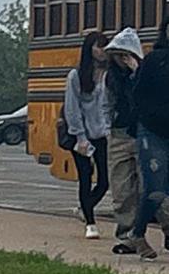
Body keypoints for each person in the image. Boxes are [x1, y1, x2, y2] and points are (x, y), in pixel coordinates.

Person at [63, 29, 111, 240]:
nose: (102, 51)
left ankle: (85, 207)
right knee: (85, 177)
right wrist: (80, 136)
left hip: (101, 133)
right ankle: (90, 223)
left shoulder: (109, 75)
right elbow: (72, 108)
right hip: (81, 134)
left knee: (104, 181)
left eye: (104, 46)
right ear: (89, 49)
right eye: (98, 46)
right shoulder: (76, 76)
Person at [128, 17, 169, 257]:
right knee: (155, 188)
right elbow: (139, 94)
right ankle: (137, 234)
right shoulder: (154, 61)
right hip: (152, 131)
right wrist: (148, 117)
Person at [103, 27, 146, 255]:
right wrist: (106, 130)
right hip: (119, 134)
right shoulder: (110, 78)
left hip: (144, 133)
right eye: (117, 55)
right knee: (122, 190)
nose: (121, 60)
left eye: (125, 54)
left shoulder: (145, 72)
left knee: (150, 188)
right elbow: (106, 105)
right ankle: (127, 237)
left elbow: (149, 97)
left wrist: (137, 72)